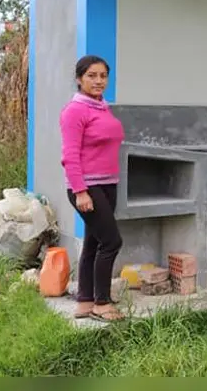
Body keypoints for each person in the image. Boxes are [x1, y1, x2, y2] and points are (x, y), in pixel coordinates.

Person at [59, 55, 126, 322]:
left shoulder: (101, 107)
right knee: (111, 242)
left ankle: (85, 301)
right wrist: (80, 191)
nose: (98, 81)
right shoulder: (74, 111)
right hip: (87, 187)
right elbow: (70, 155)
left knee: (93, 243)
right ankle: (102, 302)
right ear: (79, 79)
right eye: (91, 76)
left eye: (103, 76)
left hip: (108, 184)